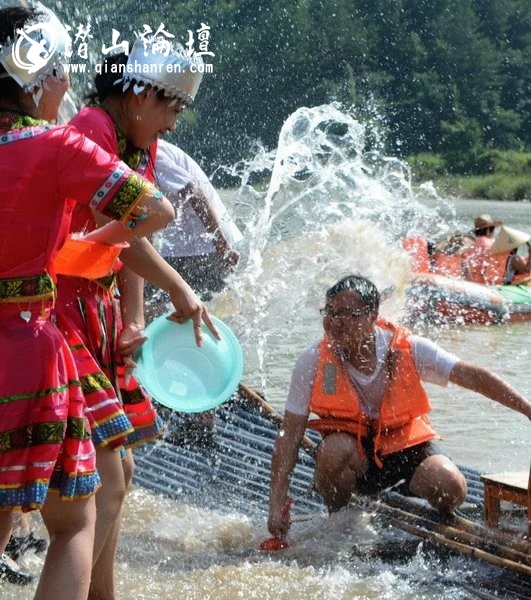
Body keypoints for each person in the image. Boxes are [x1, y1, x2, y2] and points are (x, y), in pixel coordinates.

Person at [0, 4, 177, 599]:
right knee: (78, 517)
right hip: (28, 346)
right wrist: (84, 245)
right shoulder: (56, 146)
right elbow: (156, 212)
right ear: (38, 79)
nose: (69, 85)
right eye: (59, 72)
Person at [56, 38, 219, 600]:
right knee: (104, 483)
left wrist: (133, 318)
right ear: (141, 95)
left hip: (92, 308)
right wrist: (181, 290)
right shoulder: (93, 131)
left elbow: (130, 235)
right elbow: (121, 232)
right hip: (57, 307)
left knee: (118, 471)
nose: (174, 123)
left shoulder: (136, 142)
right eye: (173, 107)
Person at [268, 274, 531, 539]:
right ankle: (340, 521)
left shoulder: (409, 349)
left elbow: (471, 375)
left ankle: (407, 497)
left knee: (451, 488)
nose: (336, 323)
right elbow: (289, 437)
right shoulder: (312, 361)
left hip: (405, 451)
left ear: (372, 317)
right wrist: (276, 504)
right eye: (331, 312)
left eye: (348, 314)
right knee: (334, 450)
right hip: (354, 459)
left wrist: (526, 408)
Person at [147, 138, 242, 308]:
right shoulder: (141, 149)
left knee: (153, 302)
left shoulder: (151, 152)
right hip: (187, 247)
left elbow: (193, 192)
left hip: (205, 246)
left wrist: (222, 245)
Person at [463, 214, 504, 283]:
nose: (493, 232)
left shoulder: (470, 242)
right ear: (488, 230)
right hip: (483, 282)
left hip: (468, 280)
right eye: (492, 229)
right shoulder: (489, 244)